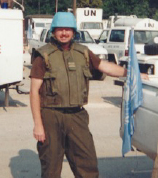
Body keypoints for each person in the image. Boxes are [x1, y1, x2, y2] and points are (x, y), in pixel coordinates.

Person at [30, 12, 148, 178]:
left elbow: (105, 67)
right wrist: (38, 124)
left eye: (68, 29)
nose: (64, 33)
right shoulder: (43, 56)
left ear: (74, 31)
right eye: (60, 29)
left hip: (77, 116)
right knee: (50, 167)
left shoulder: (83, 52)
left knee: (87, 164)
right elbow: (34, 91)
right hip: (51, 116)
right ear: (53, 31)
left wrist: (131, 74)